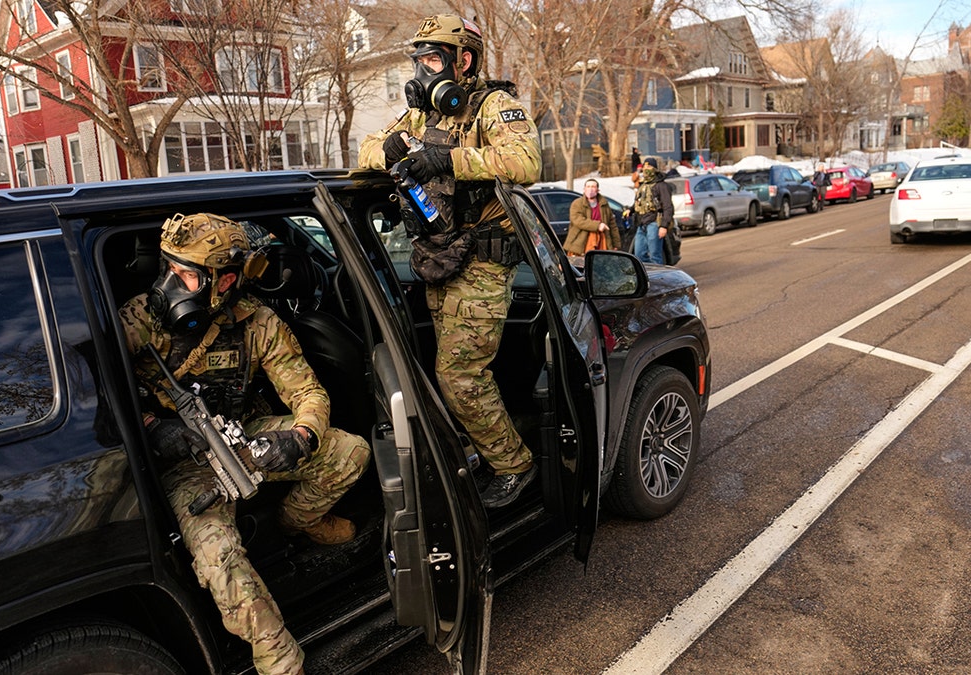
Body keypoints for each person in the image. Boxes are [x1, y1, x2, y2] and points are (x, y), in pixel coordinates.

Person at [120, 213, 371, 675]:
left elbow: (308, 392)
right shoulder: (138, 319)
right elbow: (100, 390)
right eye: (170, 269)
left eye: (188, 275)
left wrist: (301, 436)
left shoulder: (258, 321)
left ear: (226, 280)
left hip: (245, 436)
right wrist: (152, 424)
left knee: (351, 452)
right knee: (221, 560)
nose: (172, 285)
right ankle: (282, 662)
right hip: (185, 458)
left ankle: (296, 523)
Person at [358, 14, 540, 508]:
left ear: (464, 61)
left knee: (460, 377)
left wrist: (450, 160)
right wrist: (387, 150)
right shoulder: (422, 116)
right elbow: (367, 149)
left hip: (482, 263)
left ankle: (515, 465)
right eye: (418, 60)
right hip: (438, 259)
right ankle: (476, 451)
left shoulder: (493, 106)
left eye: (433, 60)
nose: (423, 71)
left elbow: (525, 162)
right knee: (442, 371)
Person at [631, 158, 674, 265]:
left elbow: (668, 207)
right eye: (644, 166)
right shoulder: (643, 186)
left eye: (649, 166)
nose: (646, 169)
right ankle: (647, 273)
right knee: (639, 255)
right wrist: (630, 210)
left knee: (655, 255)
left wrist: (663, 226)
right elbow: (639, 202)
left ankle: (658, 274)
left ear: (655, 169)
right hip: (641, 224)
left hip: (654, 224)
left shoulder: (661, 186)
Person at [564, 178, 620, 255]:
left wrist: (616, 244)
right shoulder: (577, 203)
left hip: (602, 241)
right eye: (588, 187)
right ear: (584, 189)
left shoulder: (604, 204)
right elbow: (578, 220)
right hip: (581, 242)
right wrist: (598, 225)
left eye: (593, 187)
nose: (590, 189)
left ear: (598, 190)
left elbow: (612, 225)